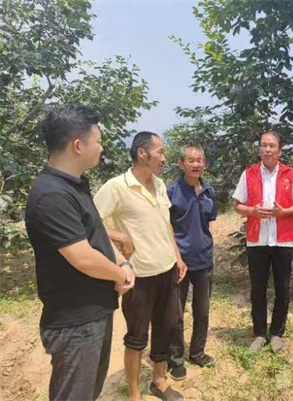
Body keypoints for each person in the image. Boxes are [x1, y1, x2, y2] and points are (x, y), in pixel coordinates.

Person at [25, 104, 135, 401]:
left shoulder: (74, 186)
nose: (101, 147)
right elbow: (83, 257)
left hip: (93, 313)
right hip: (75, 323)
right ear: (77, 145)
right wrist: (120, 274)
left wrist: (122, 262)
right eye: (98, 141)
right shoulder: (51, 195)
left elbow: (95, 231)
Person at [94, 132, 187, 401]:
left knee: (166, 328)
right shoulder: (116, 187)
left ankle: (159, 380)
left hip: (167, 270)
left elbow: (166, 225)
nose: (164, 158)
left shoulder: (159, 184)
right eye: (160, 151)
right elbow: (89, 222)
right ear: (142, 153)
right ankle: (134, 393)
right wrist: (120, 237)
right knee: (136, 337)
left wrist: (177, 257)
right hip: (139, 276)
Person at [233, 130, 293, 353]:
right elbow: (237, 205)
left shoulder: (291, 174)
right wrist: (252, 211)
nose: (267, 149)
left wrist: (284, 212)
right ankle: (259, 333)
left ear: (279, 150)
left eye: (272, 146)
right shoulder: (248, 174)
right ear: (259, 149)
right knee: (257, 288)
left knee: (282, 288)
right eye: (263, 145)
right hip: (257, 239)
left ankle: (276, 333)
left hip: (282, 239)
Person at [167, 145, 217, 380]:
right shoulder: (171, 192)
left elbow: (208, 221)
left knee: (202, 311)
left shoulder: (209, 191)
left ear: (204, 164)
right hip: (179, 262)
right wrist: (176, 257)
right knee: (176, 313)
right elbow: (166, 226)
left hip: (204, 260)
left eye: (199, 160)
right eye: (190, 160)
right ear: (181, 163)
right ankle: (175, 359)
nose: (195, 164)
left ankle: (197, 353)